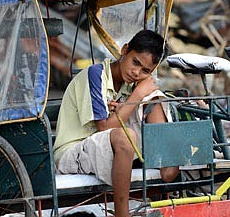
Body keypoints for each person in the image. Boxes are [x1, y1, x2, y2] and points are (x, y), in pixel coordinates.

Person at [53, 29, 179, 217]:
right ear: (125, 50)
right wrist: (136, 96)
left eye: (146, 70)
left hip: (103, 148)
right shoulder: (96, 74)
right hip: (73, 153)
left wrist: (136, 97)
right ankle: (122, 213)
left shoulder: (129, 84)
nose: (136, 72)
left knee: (153, 97)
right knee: (125, 135)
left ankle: (167, 164)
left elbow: (118, 120)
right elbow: (103, 127)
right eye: (135, 62)